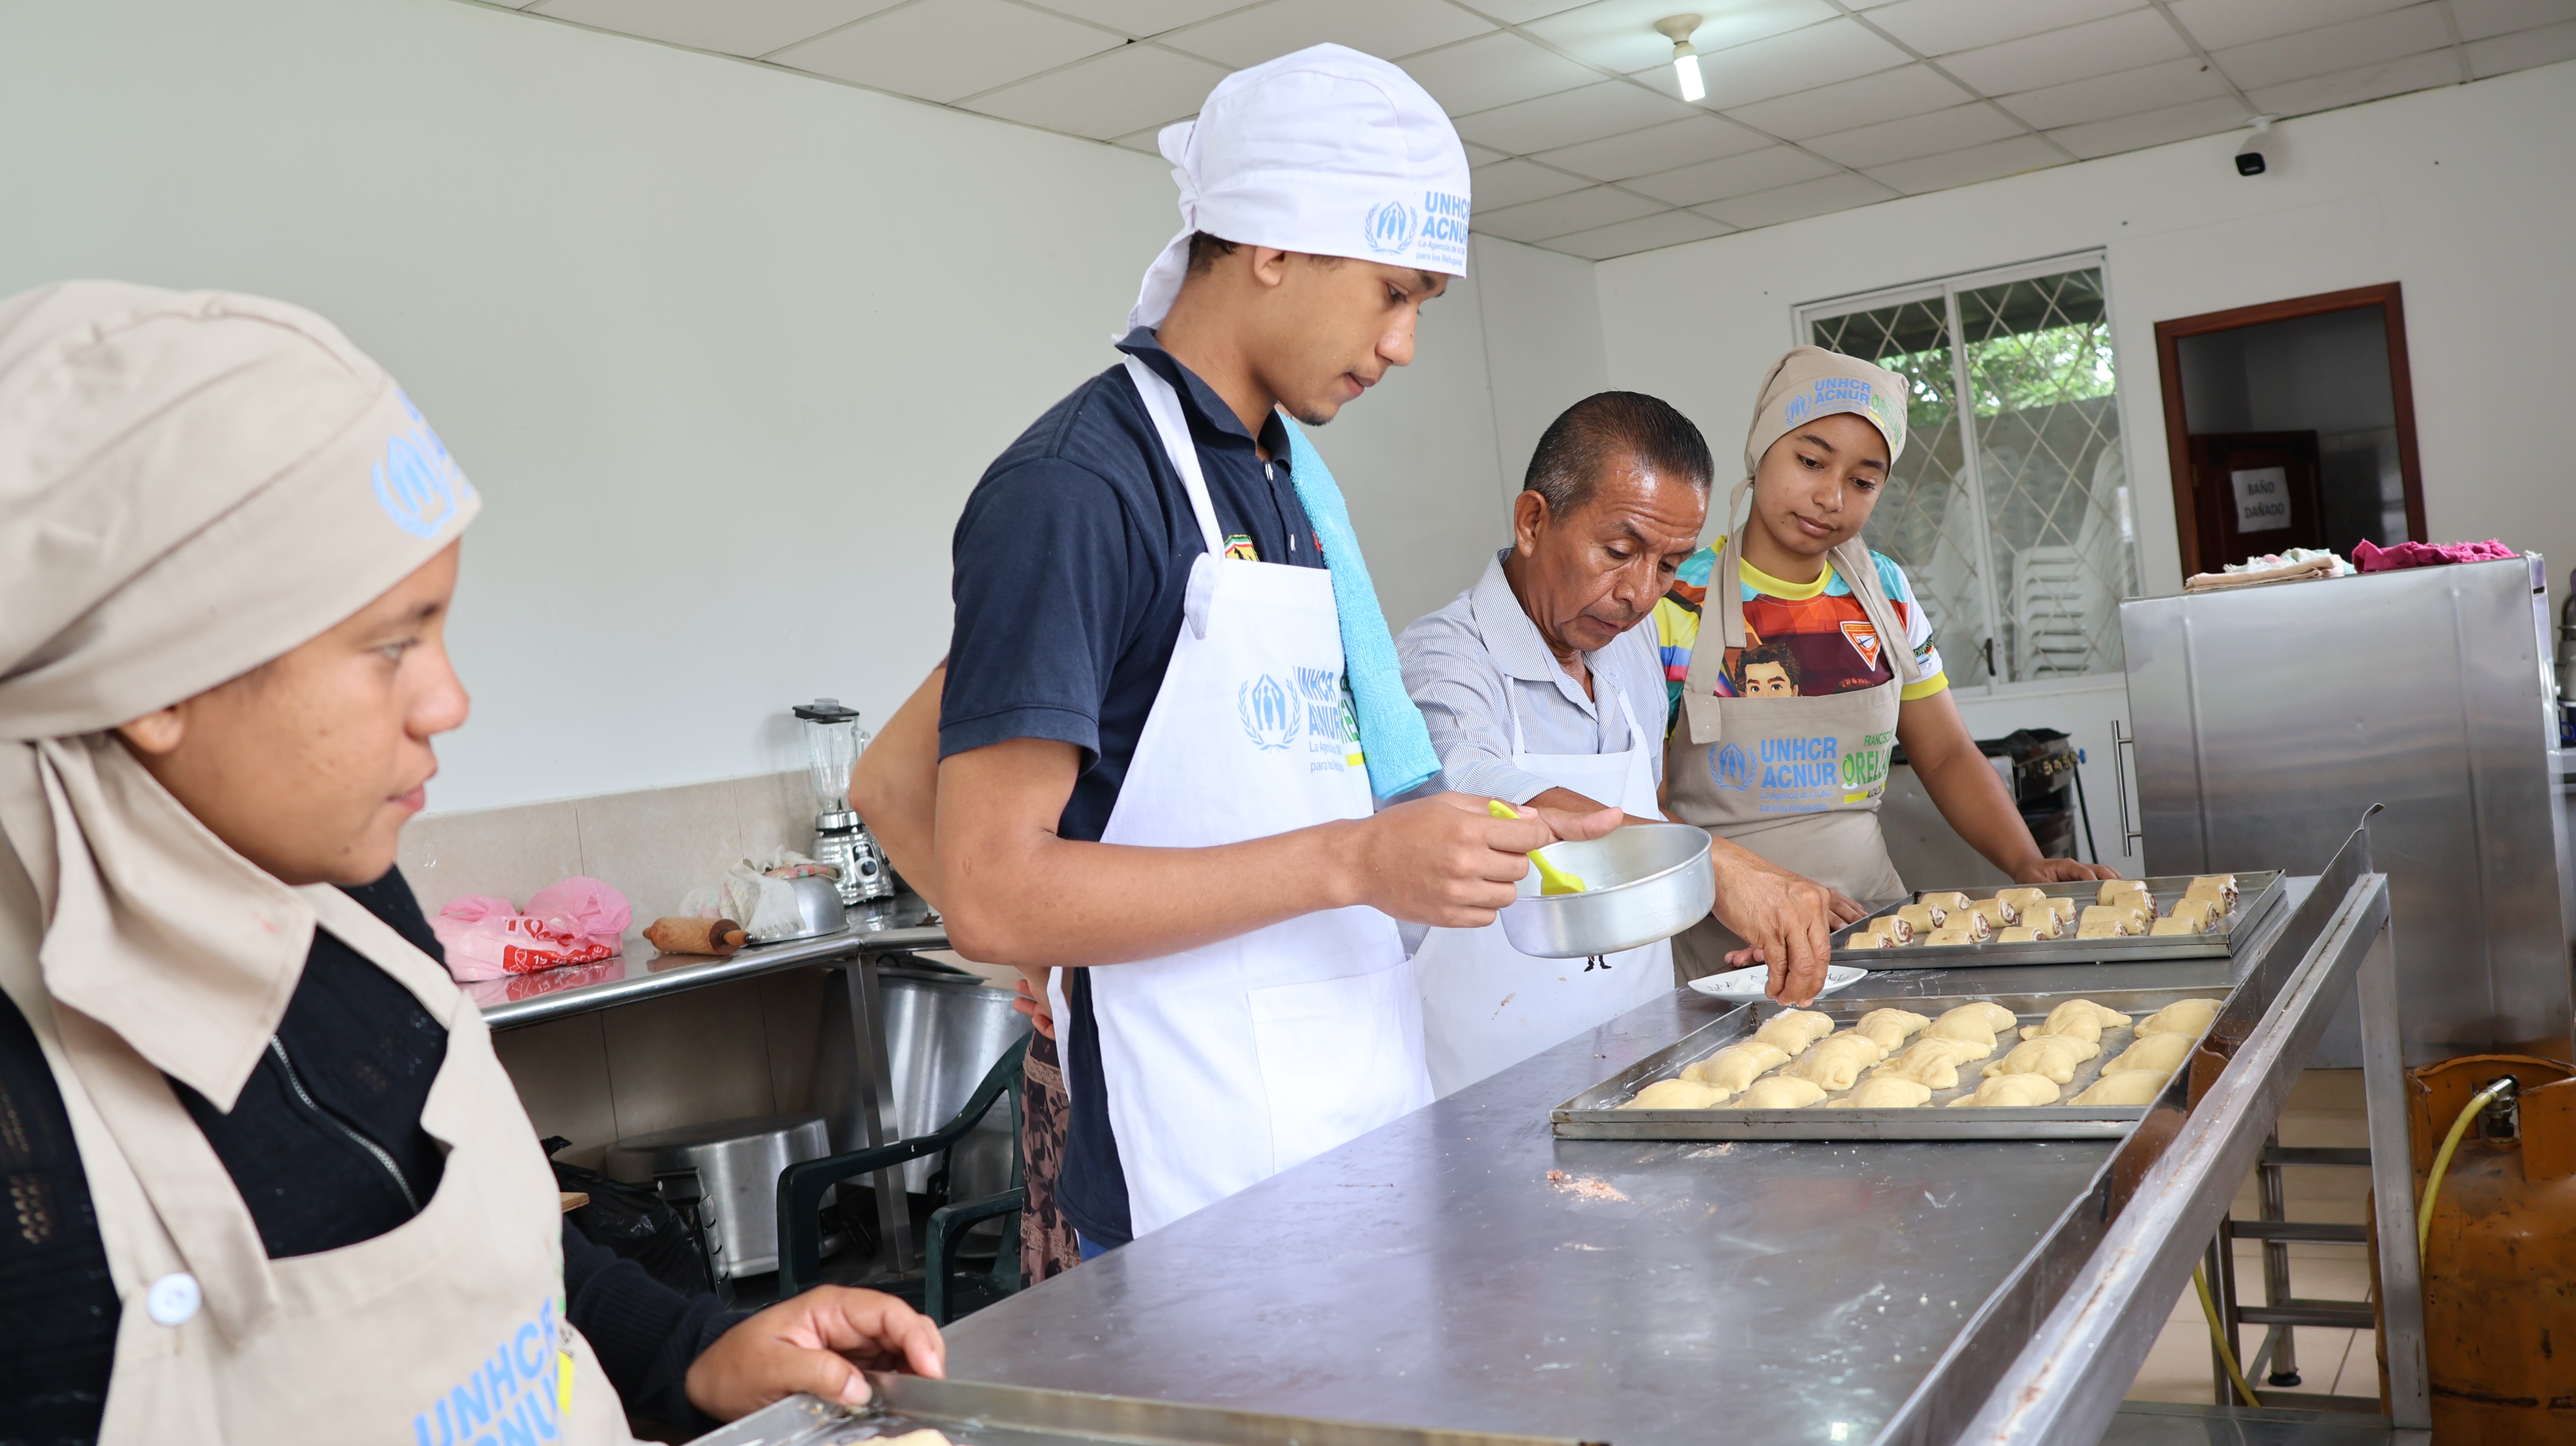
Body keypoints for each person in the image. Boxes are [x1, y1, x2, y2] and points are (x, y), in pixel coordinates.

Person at [0, 282, 942, 1441]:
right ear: (158, 678)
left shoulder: (353, 903)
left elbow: (487, 1260)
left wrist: (693, 1356)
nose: (449, 700)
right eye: (390, 646)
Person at [933, 46, 1613, 1256]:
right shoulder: (1076, 491)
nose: (1403, 344)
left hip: (1356, 1133)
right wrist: (1354, 860)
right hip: (1194, 1187)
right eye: (1394, 293)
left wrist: (1461, 835)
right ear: (1274, 244)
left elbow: (1287, 786)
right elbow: (988, 891)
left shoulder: (1273, 483)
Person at [1397, 393, 1840, 1094]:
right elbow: (1475, 787)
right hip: (1488, 1086)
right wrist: (1711, 866)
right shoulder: (1441, 656)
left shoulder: (1627, 646)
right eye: (1619, 551)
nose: (1639, 594)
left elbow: (1646, 808)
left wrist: (1738, 897)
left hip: (1640, 1063)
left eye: (1669, 566)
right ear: (1534, 521)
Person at [1653, 346, 2117, 980]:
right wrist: (1754, 891)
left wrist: (2026, 862)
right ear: (1762, 448)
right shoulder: (1675, 603)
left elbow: (1948, 753)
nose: (1830, 496)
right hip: (1727, 941)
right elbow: (1644, 805)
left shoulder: (1885, 595)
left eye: (1863, 481)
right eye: (1811, 461)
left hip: (1870, 924)